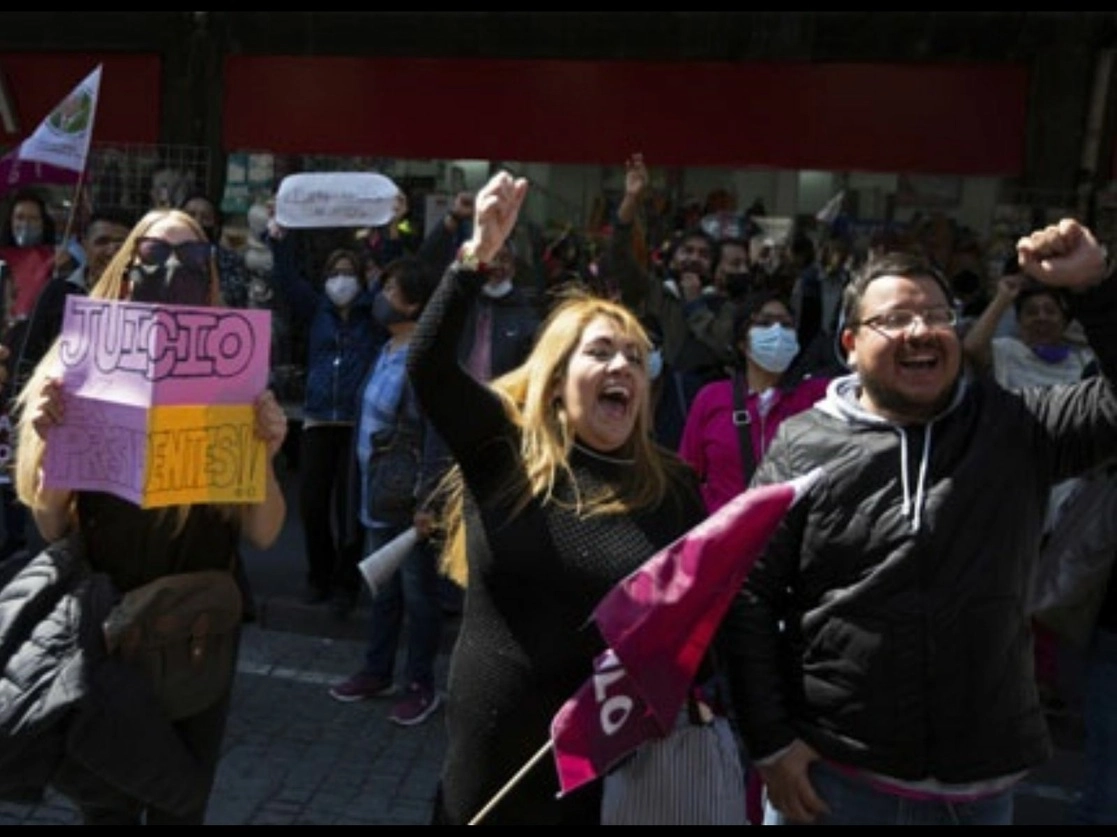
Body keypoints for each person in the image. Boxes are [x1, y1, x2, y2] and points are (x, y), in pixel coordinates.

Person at [715, 218, 1117, 826]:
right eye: (895, 319)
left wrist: (1098, 285)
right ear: (849, 343)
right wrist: (769, 744)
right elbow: (745, 596)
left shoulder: (1015, 429)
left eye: (936, 314)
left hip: (978, 792)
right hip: (833, 784)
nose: (921, 330)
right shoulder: (803, 445)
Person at [410, 170, 730, 824]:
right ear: (557, 382)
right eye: (602, 352)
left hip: (609, 773)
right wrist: (474, 256)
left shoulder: (669, 486)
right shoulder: (502, 451)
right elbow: (430, 369)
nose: (622, 367)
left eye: (635, 359)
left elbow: (704, 618)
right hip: (490, 769)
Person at [11, 207, 289, 824]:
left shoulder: (233, 378)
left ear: (211, 271)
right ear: (128, 265)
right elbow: (51, 526)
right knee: (106, 806)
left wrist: (264, 455)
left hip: (198, 636)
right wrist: (54, 441)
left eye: (191, 259)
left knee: (178, 806)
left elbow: (265, 531)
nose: (173, 270)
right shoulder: (76, 365)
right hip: (107, 630)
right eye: (156, 254)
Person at [326, 255, 444, 728]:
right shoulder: (388, 348)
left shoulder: (425, 359)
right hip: (378, 492)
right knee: (384, 588)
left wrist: (429, 499)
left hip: (410, 497)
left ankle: (420, 684)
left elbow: (437, 435)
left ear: (415, 305)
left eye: (392, 290)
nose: (380, 297)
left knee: (419, 594)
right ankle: (377, 670)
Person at [267, 222, 385, 615]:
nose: (341, 280)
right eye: (334, 273)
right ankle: (318, 575)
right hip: (318, 420)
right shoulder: (316, 310)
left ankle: (345, 584)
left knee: (349, 510)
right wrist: (278, 238)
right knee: (312, 504)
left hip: (356, 424)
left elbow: (398, 287)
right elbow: (286, 277)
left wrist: (383, 255)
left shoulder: (374, 315)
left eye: (348, 273)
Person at [608, 153, 736, 412]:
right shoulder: (651, 291)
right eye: (687, 251)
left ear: (713, 266)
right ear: (673, 257)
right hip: (648, 400)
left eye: (703, 255)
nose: (694, 259)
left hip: (704, 406)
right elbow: (618, 255)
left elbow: (727, 349)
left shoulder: (724, 307)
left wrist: (697, 307)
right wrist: (631, 199)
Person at [179, 192, 251, 308]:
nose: (197, 223)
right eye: (190, 216)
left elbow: (232, 303)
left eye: (206, 218)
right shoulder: (164, 258)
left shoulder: (231, 261)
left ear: (216, 227)